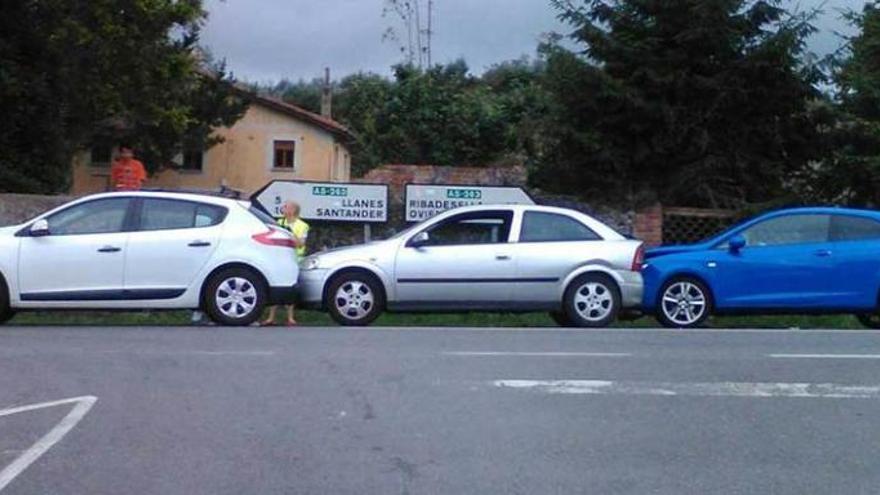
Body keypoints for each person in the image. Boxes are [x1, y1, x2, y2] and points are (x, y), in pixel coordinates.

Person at [261, 201, 309, 326]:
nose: (282, 208)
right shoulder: (279, 223)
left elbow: (301, 243)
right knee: (275, 285)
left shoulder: (302, 226)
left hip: (293, 259)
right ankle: (271, 317)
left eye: (286, 207)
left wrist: (290, 234)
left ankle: (290, 317)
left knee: (291, 288)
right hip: (278, 258)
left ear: (293, 210)